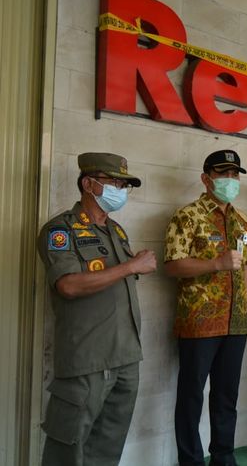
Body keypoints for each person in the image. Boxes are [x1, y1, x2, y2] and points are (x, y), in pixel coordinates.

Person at [37, 152, 157, 465]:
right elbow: (69, 285)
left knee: (107, 448)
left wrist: (130, 267)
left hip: (126, 357)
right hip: (87, 359)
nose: (120, 188)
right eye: (114, 181)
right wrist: (130, 266)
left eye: (124, 184)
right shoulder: (60, 230)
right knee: (68, 449)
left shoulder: (116, 231)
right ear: (89, 183)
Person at [164, 150, 247, 466]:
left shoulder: (243, 219)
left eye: (235, 175)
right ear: (206, 178)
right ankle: (190, 460)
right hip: (199, 322)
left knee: (227, 397)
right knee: (191, 397)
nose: (230, 181)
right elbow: (173, 266)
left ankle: (224, 457)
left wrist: (246, 307)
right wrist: (215, 262)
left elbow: (245, 267)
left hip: (236, 322)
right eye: (223, 174)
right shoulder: (187, 216)